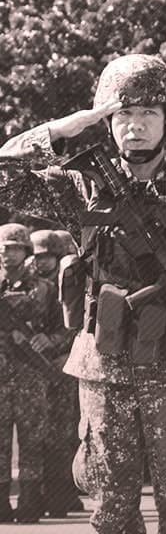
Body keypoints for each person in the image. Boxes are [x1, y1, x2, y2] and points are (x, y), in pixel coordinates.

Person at [0, 54, 166, 534]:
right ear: (107, 122)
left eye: (147, 115)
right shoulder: (81, 186)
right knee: (111, 509)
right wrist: (64, 128)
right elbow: (5, 178)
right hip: (104, 364)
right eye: (122, 116)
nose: (135, 126)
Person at [0, 222, 63, 523]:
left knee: (31, 442)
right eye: (2, 247)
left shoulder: (46, 289)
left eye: (12, 247)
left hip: (31, 376)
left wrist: (48, 340)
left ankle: (29, 503)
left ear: (24, 251)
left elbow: (66, 330)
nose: (5, 253)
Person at [26, 228, 85, 518]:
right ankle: (37, 496)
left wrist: (56, 343)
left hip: (63, 364)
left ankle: (62, 494)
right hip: (31, 368)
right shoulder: (26, 282)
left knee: (63, 432)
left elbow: (75, 325)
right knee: (36, 435)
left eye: (49, 255)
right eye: (38, 256)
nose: (43, 261)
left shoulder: (70, 279)